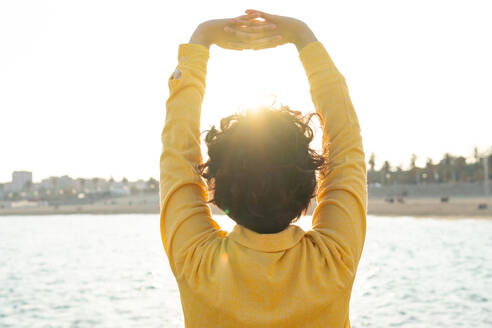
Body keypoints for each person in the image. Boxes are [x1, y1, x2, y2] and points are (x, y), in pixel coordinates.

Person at [160, 9, 367, 328]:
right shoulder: (333, 261)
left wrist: (200, 42)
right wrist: (303, 38)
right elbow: (346, 142)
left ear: (215, 188)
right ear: (310, 188)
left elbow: (177, 152)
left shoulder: (196, 263)